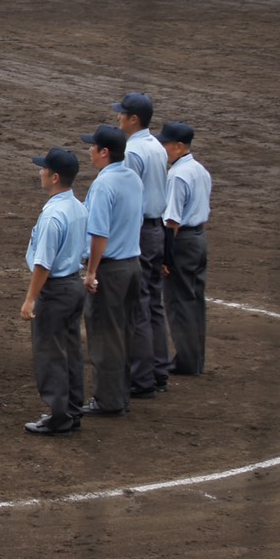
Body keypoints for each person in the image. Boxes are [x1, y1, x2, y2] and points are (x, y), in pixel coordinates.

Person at [20, 148, 89, 436]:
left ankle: (59, 416)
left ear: (55, 176)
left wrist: (30, 298)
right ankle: (72, 410)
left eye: (44, 169)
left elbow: (43, 264)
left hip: (56, 290)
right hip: (73, 284)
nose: (40, 172)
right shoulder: (78, 207)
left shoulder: (53, 215)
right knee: (70, 351)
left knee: (50, 354)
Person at [80, 124, 143, 417]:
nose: (89, 151)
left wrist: (91, 272)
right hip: (133, 266)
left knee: (104, 335)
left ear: (104, 152)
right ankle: (121, 395)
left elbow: (99, 234)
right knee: (124, 332)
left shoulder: (103, 185)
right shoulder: (133, 178)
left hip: (112, 270)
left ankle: (108, 400)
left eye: (92, 146)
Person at [113, 92, 173, 397]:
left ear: (134, 119)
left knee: (137, 304)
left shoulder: (132, 152)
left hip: (140, 231)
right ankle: (159, 369)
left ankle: (141, 378)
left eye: (122, 114)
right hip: (158, 228)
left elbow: (130, 198)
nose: (118, 117)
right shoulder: (156, 146)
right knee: (153, 302)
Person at [158, 122, 211, 377]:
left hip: (182, 242)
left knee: (178, 302)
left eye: (165, 145)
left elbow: (172, 221)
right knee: (194, 300)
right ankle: (195, 359)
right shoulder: (200, 169)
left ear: (179, 147)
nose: (162, 149)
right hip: (199, 239)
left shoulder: (177, 175)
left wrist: (166, 256)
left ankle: (187, 363)